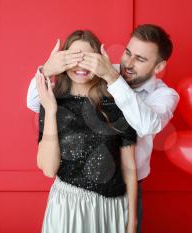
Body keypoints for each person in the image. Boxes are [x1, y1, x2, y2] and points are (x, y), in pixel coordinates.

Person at [28, 24, 179, 233]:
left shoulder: (161, 95)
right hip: (69, 203)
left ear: (159, 66)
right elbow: (34, 101)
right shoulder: (103, 71)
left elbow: (145, 125)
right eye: (127, 53)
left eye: (141, 59)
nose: (128, 63)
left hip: (122, 193)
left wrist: (111, 76)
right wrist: (47, 69)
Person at [35, 30, 138, 233]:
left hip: (111, 208)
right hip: (69, 209)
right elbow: (48, 169)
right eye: (73, 58)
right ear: (62, 63)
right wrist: (51, 109)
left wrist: (132, 221)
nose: (80, 65)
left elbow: (129, 167)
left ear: (99, 60)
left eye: (87, 58)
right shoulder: (51, 101)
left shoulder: (118, 102)